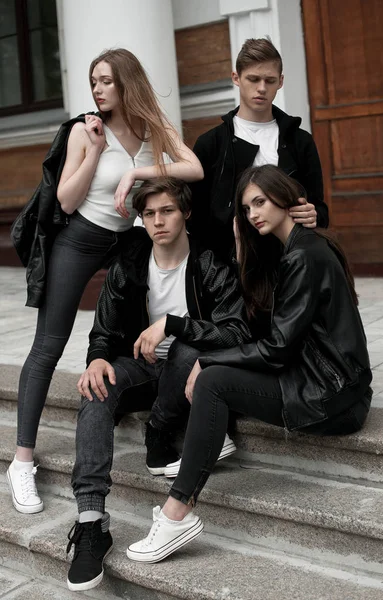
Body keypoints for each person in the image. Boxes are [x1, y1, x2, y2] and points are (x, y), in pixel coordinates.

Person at [126, 164, 372, 564]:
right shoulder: (295, 247)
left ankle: (177, 513)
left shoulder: (305, 256)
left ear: (286, 198)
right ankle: (204, 447)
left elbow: (276, 349)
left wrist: (206, 360)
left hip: (334, 395)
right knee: (215, 377)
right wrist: (243, 253)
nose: (253, 213)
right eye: (246, 207)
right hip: (325, 379)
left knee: (212, 381)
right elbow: (258, 326)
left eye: (260, 202)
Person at [7, 48, 204, 516]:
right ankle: (21, 461)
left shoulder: (152, 127)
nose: (97, 89)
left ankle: (155, 409)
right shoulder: (84, 130)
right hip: (78, 242)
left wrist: (138, 168)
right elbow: (68, 201)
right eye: (94, 80)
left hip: (124, 243)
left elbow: (193, 168)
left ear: (127, 83)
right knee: (48, 346)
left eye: (106, 81)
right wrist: (95, 152)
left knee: (141, 319)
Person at [65, 176, 250, 592]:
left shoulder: (208, 262)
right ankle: (92, 522)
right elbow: (103, 331)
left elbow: (237, 330)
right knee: (95, 386)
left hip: (188, 373)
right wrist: (95, 359)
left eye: (167, 211)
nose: (158, 221)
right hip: (141, 369)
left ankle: (159, 432)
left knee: (186, 347)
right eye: (149, 214)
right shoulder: (128, 266)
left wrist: (173, 325)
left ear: (185, 213)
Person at [189, 37, 328, 262]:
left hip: (289, 262)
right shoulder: (211, 144)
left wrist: (314, 215)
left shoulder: (300, 141)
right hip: (228, 266)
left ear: (280, 81)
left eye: (270, 80)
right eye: (253, 79)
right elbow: (196, 217)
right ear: (236, 78)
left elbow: (320, 210)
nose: (262, 88)